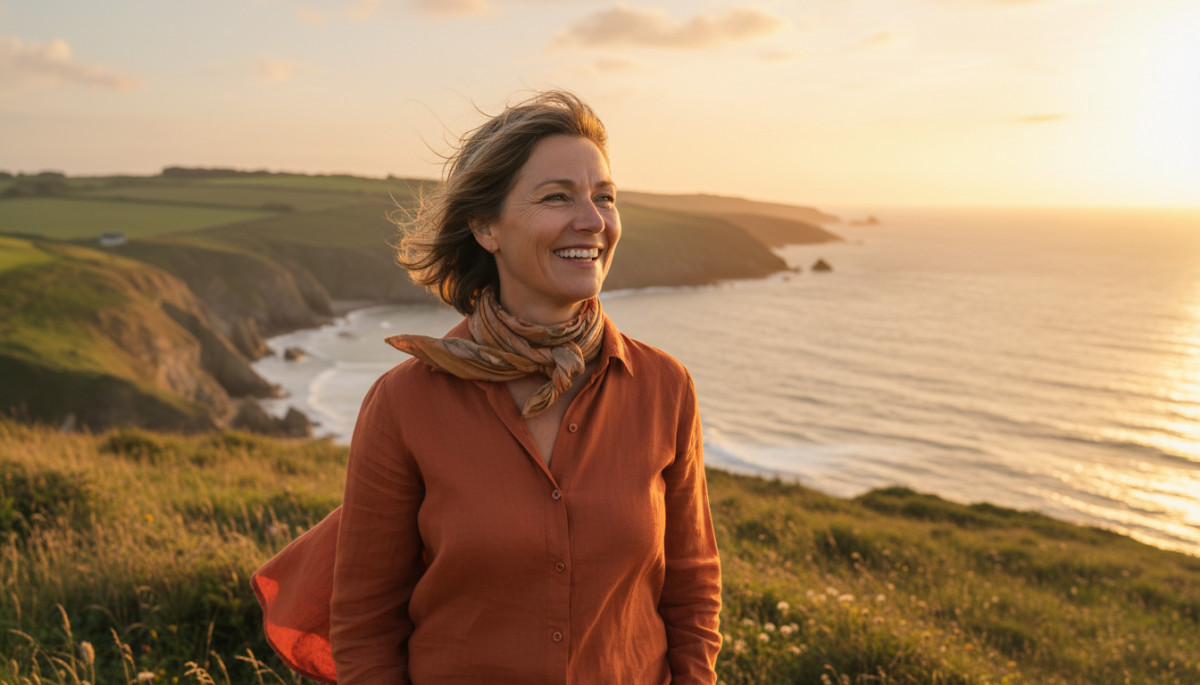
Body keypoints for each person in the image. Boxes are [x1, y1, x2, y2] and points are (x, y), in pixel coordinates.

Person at [253, 90, 721, 685]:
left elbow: (692, 591)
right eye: (557, 197)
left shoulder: (665, 387)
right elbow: (366, 624)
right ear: (485, 227)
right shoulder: (405, 403)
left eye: (604, 197)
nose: (593, 220)